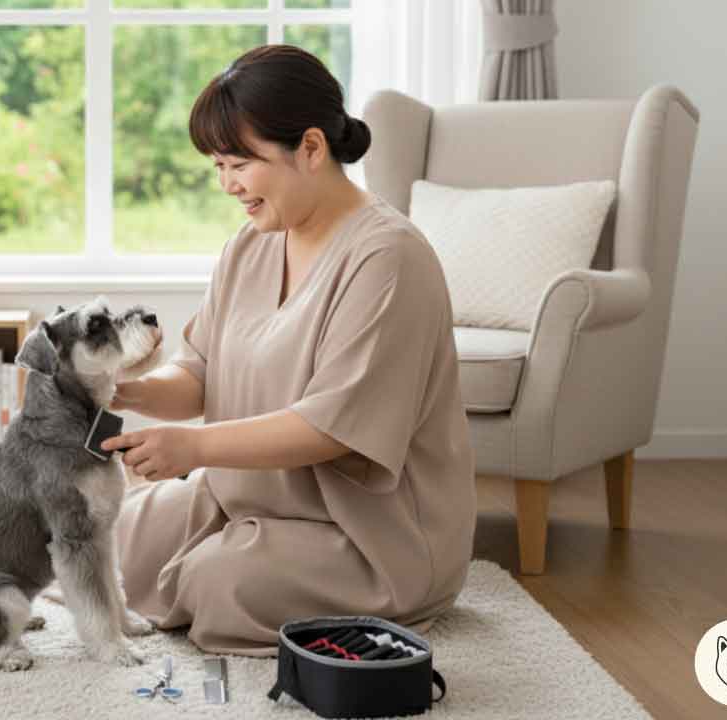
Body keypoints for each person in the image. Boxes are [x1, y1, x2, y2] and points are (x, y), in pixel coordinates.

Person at [98, 45, 477, 657]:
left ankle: (257, 561)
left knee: (215, 581)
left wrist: (191, 448)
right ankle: (230, 541)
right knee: (112, 538)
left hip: (368, 536)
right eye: (217, 166)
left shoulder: (389, 258)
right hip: (247, 498)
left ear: (310, 148)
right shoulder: (249, 246)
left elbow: (333, 427)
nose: (228, 185)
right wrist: (123, 390)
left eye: (240, 163)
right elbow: (199, 374)